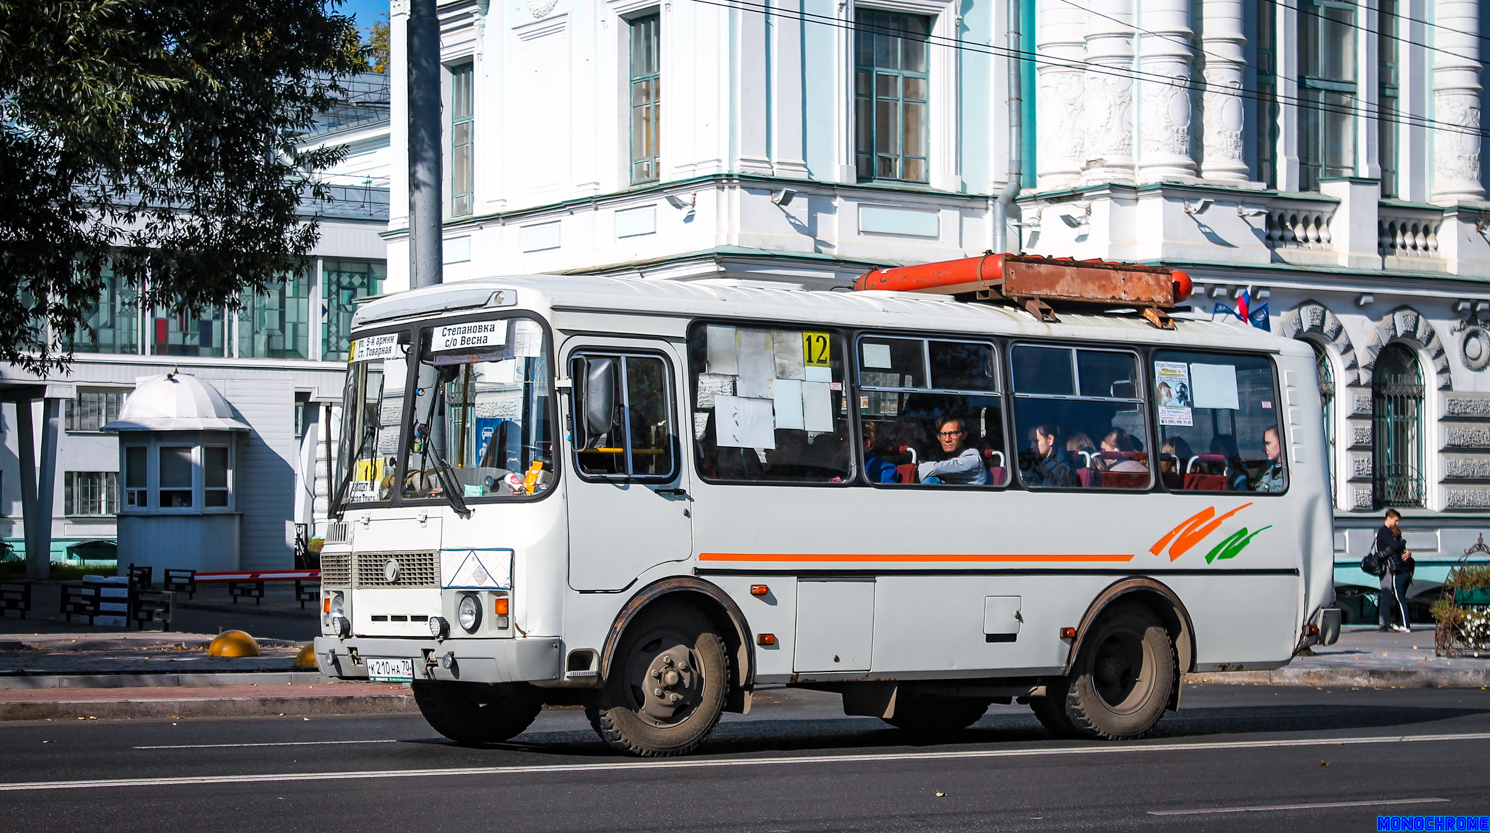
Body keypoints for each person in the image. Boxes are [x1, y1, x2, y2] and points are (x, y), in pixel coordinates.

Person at [918, 417, 987, 485]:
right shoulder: (943, 457)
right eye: (943, 434)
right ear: (938, 437)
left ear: (964, 435)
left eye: (953, 433)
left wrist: (913, 470)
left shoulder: (972, 458)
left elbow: (936, 468)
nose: (947, 439)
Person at [1376, 508, 1414, 633]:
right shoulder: (1384, 532)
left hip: (1391, 566)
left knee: (1392, 594)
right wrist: (1403, 543)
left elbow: (1397, 547)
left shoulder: (1388, 532)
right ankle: (1384, 624)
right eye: (1396, 521)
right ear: (1389, 518)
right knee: (1387, 593)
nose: (1397, 523)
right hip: (1386, 566)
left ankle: (1390, 622)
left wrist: (1406, 550)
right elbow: (1394, 546)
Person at [1022, 423, 1077, 487]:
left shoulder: (1063, 470)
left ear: (1050, 440)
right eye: (1031, 442)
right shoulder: (1035, 466)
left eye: (1036, 441)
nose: (1032, 447)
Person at [1254, 426, 1287, 492]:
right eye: (1264, 444)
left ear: (1280, 442)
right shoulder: (1265, 471)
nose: (1264, 449)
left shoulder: (1291, 474)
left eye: (1268, 443)